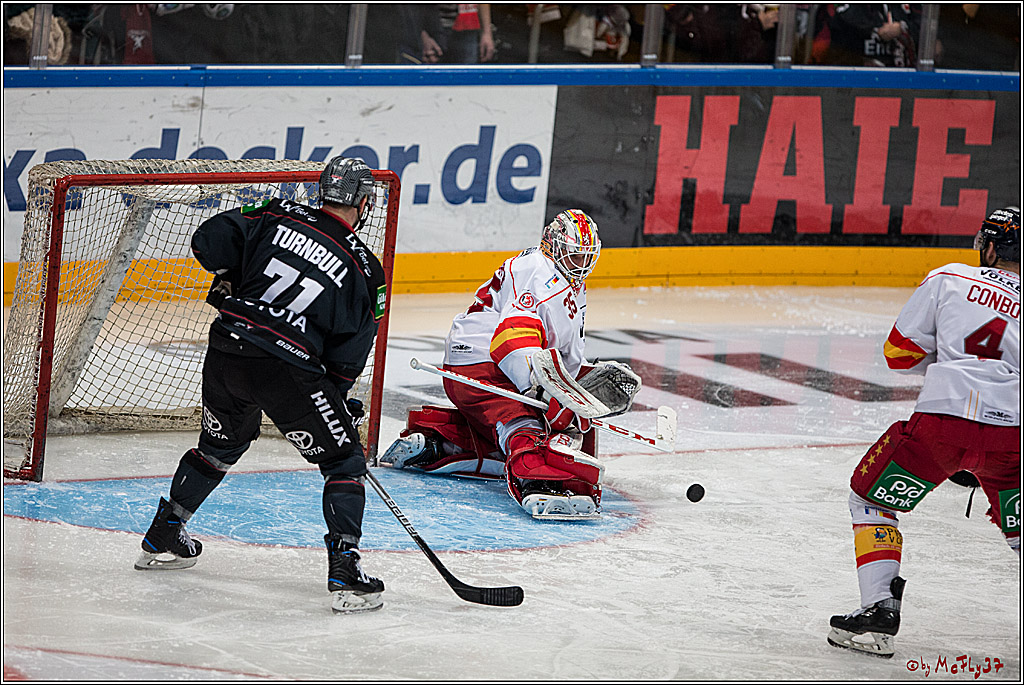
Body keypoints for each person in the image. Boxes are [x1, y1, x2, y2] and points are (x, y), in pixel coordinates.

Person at [134, 157, 389, 614]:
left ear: (323, 191)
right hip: (287, 371)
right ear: (365, 204)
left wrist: (229, 275)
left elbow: (209, 239)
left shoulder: (277, 213)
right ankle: (345, 570)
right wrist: (338, 397)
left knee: (218, 447)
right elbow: (349, 352)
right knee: (343, 458)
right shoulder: (366, 270)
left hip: (228, 350)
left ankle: (165, 533)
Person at [827, 207, 1021, 658]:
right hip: (1012, 437)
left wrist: (950, 351)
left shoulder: (949, 278)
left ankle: (879, 611)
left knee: (870, 499)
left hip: (941, 424)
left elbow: (897, 352)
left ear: (989, 247)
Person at [382, 209, 637, 520]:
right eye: (574, 256)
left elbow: (562, 351)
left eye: (586, 258)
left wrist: (583, 381)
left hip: (496, 363)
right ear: (554, 246)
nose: (581, 266)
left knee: (559, 421)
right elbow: (510, 339)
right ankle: (535, 477)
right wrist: (542, 390)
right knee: (526, 426)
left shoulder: (569, 280)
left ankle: (441, 442)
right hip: (482, 364)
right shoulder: (537, 270)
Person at [826, 3, 922, 67]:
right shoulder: (847, 11)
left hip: (907, 77)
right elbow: (838, 53)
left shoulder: (912, 7)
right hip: (861, 80)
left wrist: (902, 28)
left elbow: (928, 32)